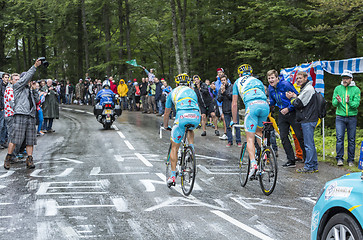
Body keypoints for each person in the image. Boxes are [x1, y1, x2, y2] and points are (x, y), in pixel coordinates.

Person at [230, 64, 269, 179]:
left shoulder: (237, 82)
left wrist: (234, 120)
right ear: (251, 74)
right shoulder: (258, 81)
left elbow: (234, 103)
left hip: (252, 106)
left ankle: (253, 164)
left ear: (240, 74)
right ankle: (264, 153)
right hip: (264, 106)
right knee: (259, 132)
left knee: (249, 138)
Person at [163, 74, 200, 186]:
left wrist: (165, 125)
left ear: (176, 84)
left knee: (174, 146)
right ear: (188, 83)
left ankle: (173, 176)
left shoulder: (172, 92)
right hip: (195, 117)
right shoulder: (192, 91)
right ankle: (191, 149)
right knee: (190, 129)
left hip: (182, 117)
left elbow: (166, 113)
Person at [4, 59, 41, 170]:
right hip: (20, 115)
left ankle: (29, 159)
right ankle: (8, 158)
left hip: (30, 115)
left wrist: (34, 90)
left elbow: (37, 100)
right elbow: (26, 77)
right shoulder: (18, 86)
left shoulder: (29, 89)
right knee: (15, 139)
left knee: (30, 140)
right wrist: (35, 66)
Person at [267, 69, 305, 168]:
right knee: (283, 136)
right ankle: (291, 159)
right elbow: (272, 101)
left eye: (272, 78)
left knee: (299, 135)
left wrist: (289, 108)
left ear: (277, 78)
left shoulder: (285, 85)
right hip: (281, 113)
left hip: (292, 112)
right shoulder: (270, 88)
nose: (271, 80)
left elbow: (297, 97)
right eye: (269, 78)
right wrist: (268, 103)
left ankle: (306, 158)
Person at [286, 71, 319, 173]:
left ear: (306, 78)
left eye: (300, 78)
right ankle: (314, 165)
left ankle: (309, 166)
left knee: (308, 144)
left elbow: (298, 103)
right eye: (297, 79)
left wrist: (292, 98)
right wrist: (295, 97)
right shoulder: (306, 88)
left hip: (308, 119)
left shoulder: (308, 89)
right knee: (310, 143)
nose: (298, 80)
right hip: (309, 118)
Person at [332, 70, 361, 167]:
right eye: (343, 78)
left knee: (351, 139)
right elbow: (333, 103)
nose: (344, 80)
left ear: (351, 79)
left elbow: (356, 105)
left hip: (352, 117)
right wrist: (338, 101)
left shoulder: (356, 89)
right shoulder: (337, 88)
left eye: (346, 78)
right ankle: (339, 158)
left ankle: (350, 160)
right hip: (340, 117)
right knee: (339, 138)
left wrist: (349, 102)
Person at [217, 74, 241, 147]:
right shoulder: (220, 89)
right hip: (225, 109)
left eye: (224, 80)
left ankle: (238, 141)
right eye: (222, 81)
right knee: (228, 126)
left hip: (233, 109)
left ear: (227, 80)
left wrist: (225, 92)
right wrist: (222, 92)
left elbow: (232, 97)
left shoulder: (232, 87)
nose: (223, 82)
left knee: (236, 125)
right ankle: (230, 141)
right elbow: (219, 99)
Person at [0, 73, 10, 149]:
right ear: (2, 78)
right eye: (5, 77)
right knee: (2, 125)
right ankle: (2, 141)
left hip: (7, 108)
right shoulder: (1, 86)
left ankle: (4, 140)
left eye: (7, 77)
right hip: (2, 108)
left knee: (5, 126)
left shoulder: (8, 86)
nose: (7, 79)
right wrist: (1, 107)